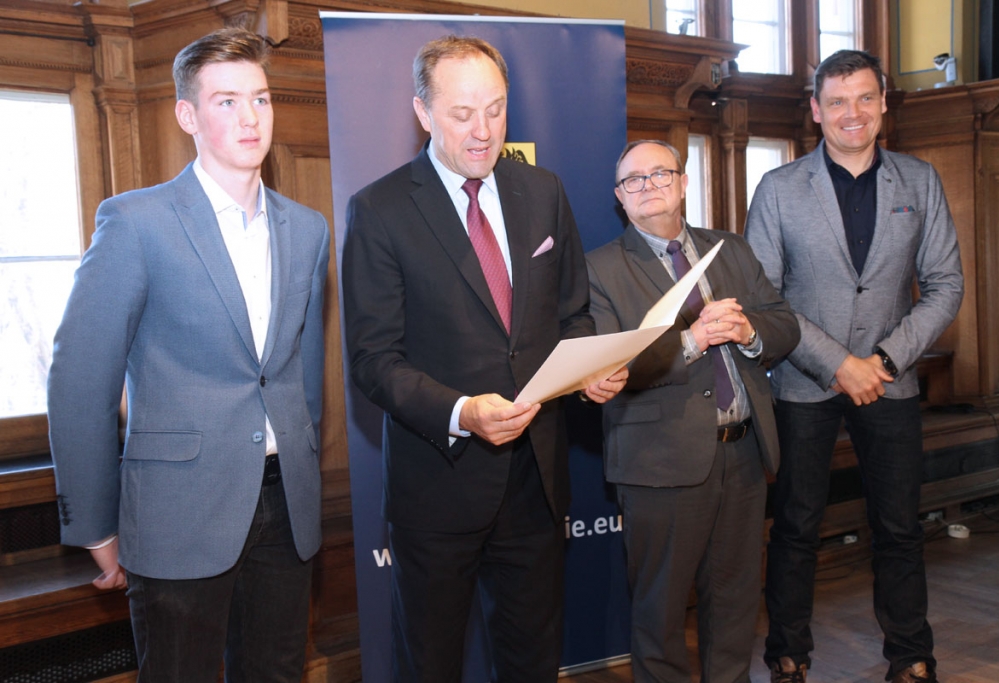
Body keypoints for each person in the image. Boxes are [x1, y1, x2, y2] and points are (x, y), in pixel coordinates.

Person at [47, 27, 331, 682]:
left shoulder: (307, 228)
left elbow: (301, 373)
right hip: (177, 512)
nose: (250, 117)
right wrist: (92, 524)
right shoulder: (135, 222)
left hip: (286, 508)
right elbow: (79, 379)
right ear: (188, 116)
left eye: (260, 98)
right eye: (227, 101)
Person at [342, 35, 627, 683]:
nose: (483, 130)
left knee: (533, 660)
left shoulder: (543, 191)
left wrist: (589, 368)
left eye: (496, 110)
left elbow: (572, 313)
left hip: (536, 479)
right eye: (462, 113)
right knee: (431, 664)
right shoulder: (380, 209)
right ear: (423, 112)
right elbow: (373, 359)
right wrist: (462, 411)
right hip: (437, 485)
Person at [744, 50, 964, 683]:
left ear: (884, 103)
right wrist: (838, 363)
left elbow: (946, 284)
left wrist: (884, 360)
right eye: (837, 101)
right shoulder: (779, 188)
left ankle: (911, 655)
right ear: (816, 110)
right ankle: (788, 655)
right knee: (795, 526)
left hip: (891, 382)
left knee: (899, 526)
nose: (853, 113)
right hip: (802, 382)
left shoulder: (919, 181)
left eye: (866, 97)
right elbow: (764, 297)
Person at [586, 140, 799, 683]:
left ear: (683, 183)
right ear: (619, 198)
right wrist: (692, 341)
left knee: (735, 602)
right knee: (659, 611)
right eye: (634, 180)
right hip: (658, 463)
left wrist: (749, 331)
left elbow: (784, 324)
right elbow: (610, 367)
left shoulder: (730, 250)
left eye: (661, 173)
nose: (648, 185)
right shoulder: (600, 269)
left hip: (744, 453)